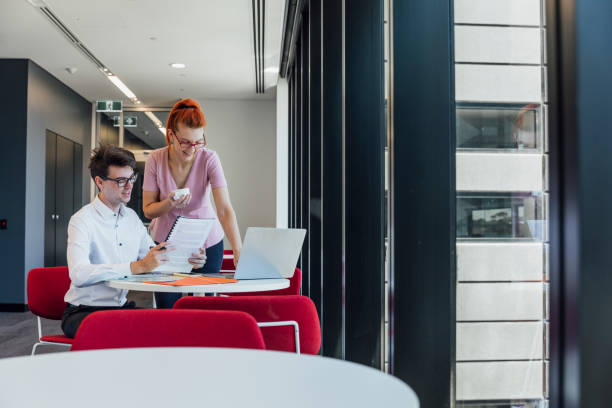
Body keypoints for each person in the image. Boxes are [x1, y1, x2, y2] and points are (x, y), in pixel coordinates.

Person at [61, 144, 206, 338]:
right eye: (121, 181)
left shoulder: (131, 218)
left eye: (131, 178)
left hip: (119, 308)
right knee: (130, 333)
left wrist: (188, 257)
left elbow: (153, 257)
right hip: (83, 311)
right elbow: (79, 274)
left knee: (167, 326)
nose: (130, 186)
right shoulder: (82, 220)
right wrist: (135, 267)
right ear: (100, 182)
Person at [143, 98, 241, 309]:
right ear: (171, 135)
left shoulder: (209, 158)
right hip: (167, 243)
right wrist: (169, 203)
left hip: (207, 242)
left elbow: (224, 209)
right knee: (167, 307)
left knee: (205, 309)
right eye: (186, 142)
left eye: (198, 141)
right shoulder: (155, 159)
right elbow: (148, 210)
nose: (193, 149)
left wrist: (238, 249)